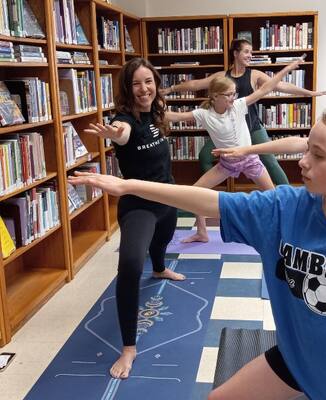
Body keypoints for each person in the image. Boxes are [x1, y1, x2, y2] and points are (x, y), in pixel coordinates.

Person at [69, 96, 326, 399]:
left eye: (318, 154)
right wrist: (128, 185)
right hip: (301, 362)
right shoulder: (285, 208)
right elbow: (211, 201)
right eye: (307, 148)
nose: (302, 161)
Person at [82, 57, 185, 380]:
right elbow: (122, 133)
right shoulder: (123, 119)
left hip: (167, 197)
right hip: (139, 204)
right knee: (129, 264)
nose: (144, 89)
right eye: (137, 83)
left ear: (156, 83)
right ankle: (128, 347)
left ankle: (159, 267)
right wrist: (114, 133)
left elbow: (175, 115)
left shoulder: (157, 114)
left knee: (163, 240)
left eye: (149, 81)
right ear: (128, 89)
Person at [166, 60, 301, 242]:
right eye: (229, 94)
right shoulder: (204, 114)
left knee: (274, 196)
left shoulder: (238, 105)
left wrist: (287, 69)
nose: (233, 97)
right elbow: (175, 117)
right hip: (227, 164)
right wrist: (148, 109)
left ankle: (287, 231)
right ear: (215, 96)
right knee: (195, 192)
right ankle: (202, 232)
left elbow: (265, 89)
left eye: (233, 93)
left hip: (250, 160)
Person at [161, 38, 326, 185]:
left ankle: (286, 194)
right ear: (236, 53)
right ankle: (213, 191)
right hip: (226, 128)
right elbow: (196, 84)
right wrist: (171, 89)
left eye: (251, 52)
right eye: (247, 52)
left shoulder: (254, 74)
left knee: (269, 161)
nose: (250, 55)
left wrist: (310, 93)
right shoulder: (222, 76)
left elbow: (279, 85)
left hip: (252, 127)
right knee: (205, 156)